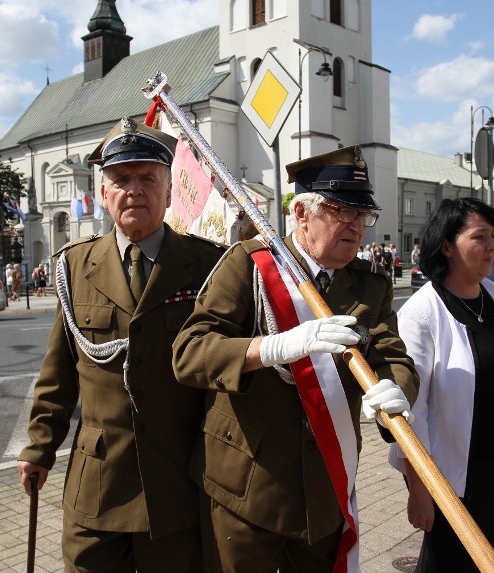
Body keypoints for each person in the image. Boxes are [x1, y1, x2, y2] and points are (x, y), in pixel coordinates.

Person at [172, 146, 419, 573]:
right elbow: (190, 352)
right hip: (247, 491)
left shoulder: (368, 284)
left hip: (325, 489)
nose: (357, 227)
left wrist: (395, 388)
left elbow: (390, 353)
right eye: (343, 211)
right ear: (302, 213)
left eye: (364, 216)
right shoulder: (248, 265)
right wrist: (270, 348)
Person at [17, 117, 225, 572]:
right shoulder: (74, 266)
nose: (134, 189)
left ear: (169, 192)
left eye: (148, 178)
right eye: (121, 179)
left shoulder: (208, 265)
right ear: (105, 193)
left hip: (177, 483)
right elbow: (58, 374)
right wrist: (39, 448)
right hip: (99, 484)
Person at [392, 198, 494, 572]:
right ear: (449, 245)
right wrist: (419, 488)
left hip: (493, 462)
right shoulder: (421, 313)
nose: (491, 247)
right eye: (480, 237)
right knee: (451, 561)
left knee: (488, 552)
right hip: (447, 472)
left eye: (492, 236)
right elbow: (409, 412)